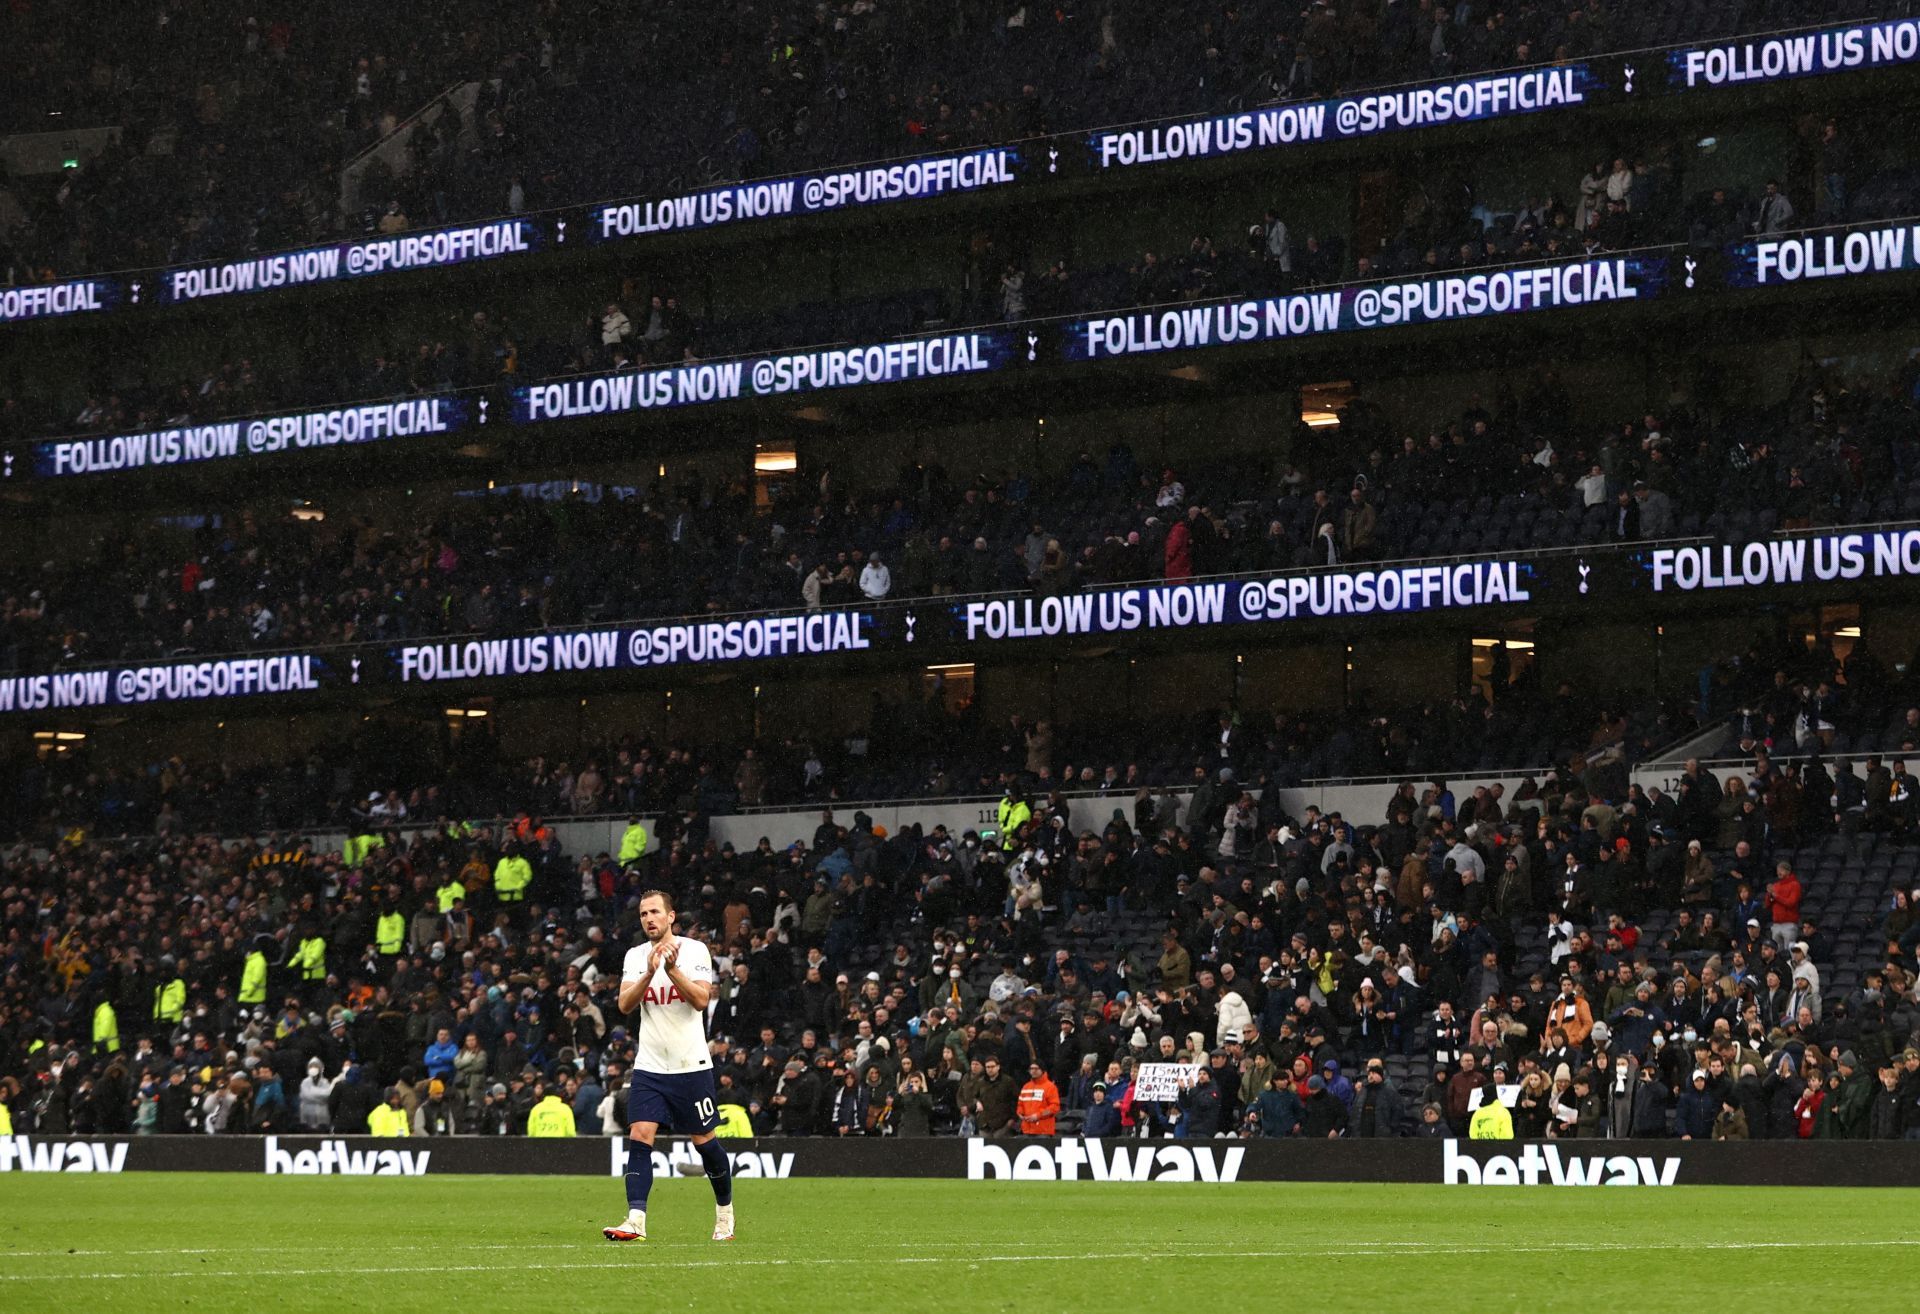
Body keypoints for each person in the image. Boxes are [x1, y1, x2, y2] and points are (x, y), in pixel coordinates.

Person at [604, 889, 733, 1244]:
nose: (649, 919)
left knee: (705, 1143)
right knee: (640, 1135)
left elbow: (701, 1000)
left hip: (690, 1065)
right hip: (650, 1066)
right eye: (644, 913)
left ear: (671, 916)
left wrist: (672, 970)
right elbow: (625, 1005)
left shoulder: (694, 951)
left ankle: (724, 1215)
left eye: (655, 912)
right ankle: (636, 1220)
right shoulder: (635, 956)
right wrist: (648, 974)